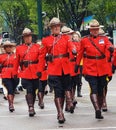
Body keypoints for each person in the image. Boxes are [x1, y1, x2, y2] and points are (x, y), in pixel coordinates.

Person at [75, 19, 114, 119]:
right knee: (94, 88)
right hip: (90, 68)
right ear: (90, 30)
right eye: (93, 29)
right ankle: (97, 108)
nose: (95, 31)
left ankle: (99, 107)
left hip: (102, 68)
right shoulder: (84, 40)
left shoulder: (104, 39)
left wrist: (111, 48)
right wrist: (77, 65)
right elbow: (79, 53)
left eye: (97, 29)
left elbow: (110, 45)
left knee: (101, 90)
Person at [41, 17, 76, 124]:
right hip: (53, 68)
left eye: (57, 26)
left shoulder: (66, 38)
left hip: (65, 67)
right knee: (58, 91)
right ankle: (60, 113)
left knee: (67, 87)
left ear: (60, 27)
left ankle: (69, 102)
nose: (56, 28)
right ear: (51, 28)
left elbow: (71, 46)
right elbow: (42, 55)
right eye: (54, 27)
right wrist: (42, 66)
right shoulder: (46, 40)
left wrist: (74, 50)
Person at [14, 28, 44, 117]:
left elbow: (41, 60)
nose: (27, 38)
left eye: (29, 36)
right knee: (29, 89)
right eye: (26, 37)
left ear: (31, 37)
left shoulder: (37, 47)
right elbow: (16, 62)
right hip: (25, 72)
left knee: (34, 89)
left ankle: (32, 105)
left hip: (35, 71)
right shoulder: (19, 48)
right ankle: (30, 107)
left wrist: (40, 70)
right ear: (23, 38)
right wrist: (15, 73)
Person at [0, 40, 19, 112]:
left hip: (15, 74)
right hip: (5, 74)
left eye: (10, 47)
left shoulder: (16, 56)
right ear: (4, 48)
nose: (8, 48)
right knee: (10, 89)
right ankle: (11, 104)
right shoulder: (1, 56)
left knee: (13, 90)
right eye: (7, 47)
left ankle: (11, 102)